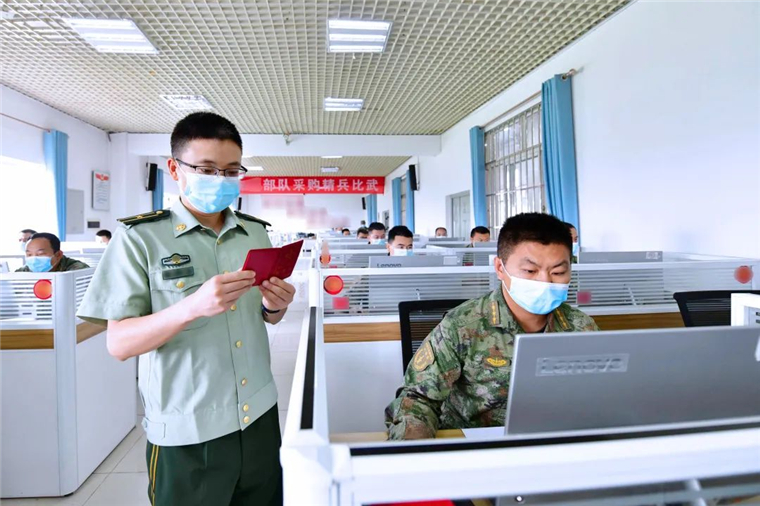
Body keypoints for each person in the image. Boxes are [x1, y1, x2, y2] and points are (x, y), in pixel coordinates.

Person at [77, 112, 294, 506]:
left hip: (259, 416)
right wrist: (190, 307)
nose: (220, 180)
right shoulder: (140, 238)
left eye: (231, 171)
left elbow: (262, 315)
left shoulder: (255, 232)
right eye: (206, 169)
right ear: (174, 169)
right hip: (188, 432)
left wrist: (273, 306)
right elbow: (119, 343)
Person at [385, 213, 599, 440]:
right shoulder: (462, 326)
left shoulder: (581, 328)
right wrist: (418, 450)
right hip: (477, 446)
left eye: (558, 272)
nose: (545, 282)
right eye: (530, 271)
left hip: (555, 443)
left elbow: (600, 395)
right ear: (499, 268)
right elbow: (416, 400)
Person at [16, 232, 90, 272]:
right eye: (29, 254)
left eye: (40, 254)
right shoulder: (22, 273)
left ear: (58, 255)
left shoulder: (78, 271)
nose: (34, 259)